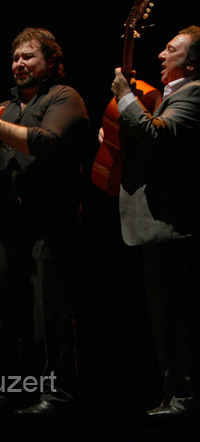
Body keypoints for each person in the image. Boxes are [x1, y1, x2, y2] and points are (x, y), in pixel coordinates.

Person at [0, 28, 88, 414]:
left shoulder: (63, 97)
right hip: (6, 221)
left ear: (50, 61)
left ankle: (57, 393)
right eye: (16, 57)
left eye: (29, 56)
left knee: (49, 310)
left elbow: (48, 142)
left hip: (51, 219)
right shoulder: (5, 106)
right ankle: (2, 393)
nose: (19, 63)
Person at [108, 25, 200, 418]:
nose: (161, 56)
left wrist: (125, 96)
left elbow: (158, 136)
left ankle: (185, 399)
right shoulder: (170, 96)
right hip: (159, 225)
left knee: (179, 317)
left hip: (175, 224)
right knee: (165, 317)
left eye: (171, 50)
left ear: (191, 63)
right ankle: (173, 394)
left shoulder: (195, 93)